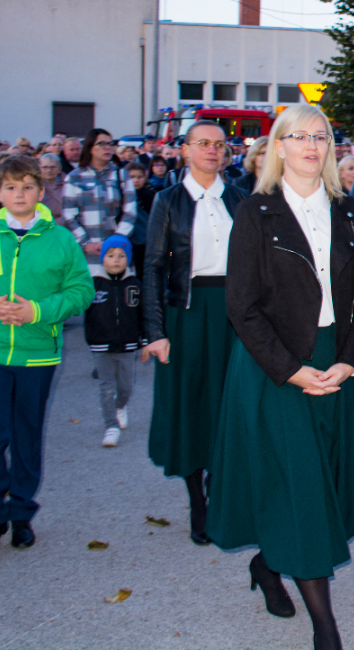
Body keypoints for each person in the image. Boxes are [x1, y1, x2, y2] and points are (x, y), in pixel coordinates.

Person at [208, 104, 354, 649]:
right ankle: (325, 626)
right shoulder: (255, 213)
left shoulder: (351, 211)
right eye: (298, 136)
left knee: (318, 479)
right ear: (278, 147)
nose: (311, 144)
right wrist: (291, 371)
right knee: (301, 484)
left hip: (335, 357)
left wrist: (351, 358)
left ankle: (267, 564)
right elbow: (242, 308)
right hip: (274, 365)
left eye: (321, 136)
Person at [0, 155, 94, 557]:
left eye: (27, 186)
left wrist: (37, 311)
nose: (19, 194)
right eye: (11, 187)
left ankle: (22, 511)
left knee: (27, 433)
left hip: (37, 353)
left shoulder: (60, 239)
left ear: (40, 192)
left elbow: (81, 290)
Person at [141, 120, 246, 546]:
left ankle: (220, 490)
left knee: (230, 400)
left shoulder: (240, 199)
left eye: (218, 144)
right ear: (183, 151)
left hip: (234, 314)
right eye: (201, 143)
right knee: (190, 403)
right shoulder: (168, 201)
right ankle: (196, 502)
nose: (211, 150)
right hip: (186, 311)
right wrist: (155, 331)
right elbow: (152, 267)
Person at [86, 235, 143, 448]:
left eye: (121, 256)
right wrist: (91, 338)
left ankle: (121, 406)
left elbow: (143, 314)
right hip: (101, 345)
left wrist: (145, 340)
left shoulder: (135, 285)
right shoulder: (92, 285)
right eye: (110, 255)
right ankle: (111, 426)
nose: (116, 260)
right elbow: (85, 312)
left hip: (127, 345)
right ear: (103, 259)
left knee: (126, 386)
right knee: (107, 386)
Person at [61, 129, 137, 276]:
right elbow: (68, 216)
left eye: (110, 144)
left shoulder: (121, 175)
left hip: (117, 253)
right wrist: (85, 243)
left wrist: (116, 241)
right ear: (90, 147)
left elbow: (130, 211)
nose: (107, 148)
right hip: (87, 254)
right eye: (102, 144)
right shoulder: (74, 178)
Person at [125, 161, 155, 276]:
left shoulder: (152, 196)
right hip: (127, 241)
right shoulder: (122, 196)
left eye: (139, 177)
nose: (136, 180)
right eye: (132, 177)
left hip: (146, 242)